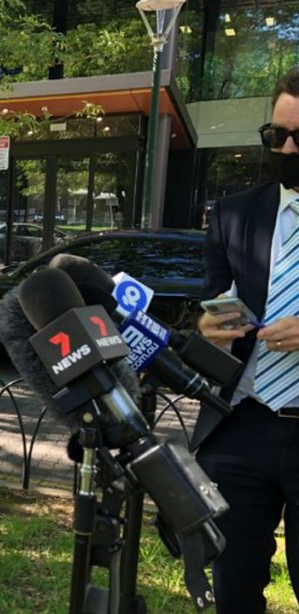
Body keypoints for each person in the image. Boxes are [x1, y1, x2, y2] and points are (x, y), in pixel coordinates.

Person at [195, 67, 299, 612]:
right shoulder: (235, 214)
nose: (285, 149)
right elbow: (213, 309)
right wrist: (209, 331)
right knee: (232, 591)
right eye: (275, 136)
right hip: (242, 425)